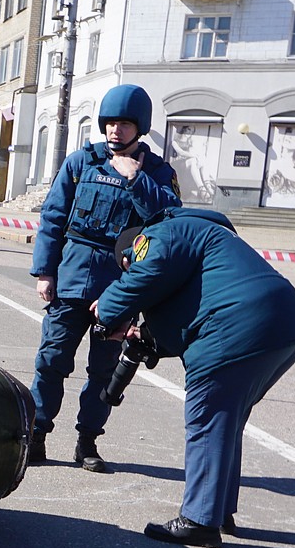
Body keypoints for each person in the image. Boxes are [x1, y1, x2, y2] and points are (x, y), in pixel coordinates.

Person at [93, 208, 295, 546]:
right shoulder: (206, 238)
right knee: (225, 419)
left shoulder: (159, 235)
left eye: (127, 265)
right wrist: (145, 337)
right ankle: (218, 510)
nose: (130, 270)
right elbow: (184, 317)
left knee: (207, 415)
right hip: (286, 325)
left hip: (240, 322)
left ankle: (198, 520)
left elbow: (148, 271)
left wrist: (105, 313)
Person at [28, 84, 181, 472]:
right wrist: (45, 271)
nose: (116, 131)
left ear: (140, 128)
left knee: (105, 372)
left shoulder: (159, 173)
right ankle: (37, 433)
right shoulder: (82, 162)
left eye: (125, 124)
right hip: (71, 279)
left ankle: (87, 443)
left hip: (121, 289)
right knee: (51, 361)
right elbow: (53, 218)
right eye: (111, 123)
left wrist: (136, 179)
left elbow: (168, 222)